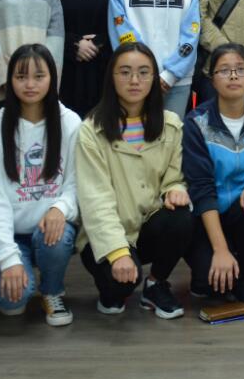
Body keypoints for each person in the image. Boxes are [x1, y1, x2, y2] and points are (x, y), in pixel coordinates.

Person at [75, 42, 192, 318]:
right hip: (107, 234)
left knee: (182, 216)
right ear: (112, 77)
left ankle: (156, 284)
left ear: (154, 78)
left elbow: (174, 176)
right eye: (125, 72)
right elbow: (95, 199)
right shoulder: (91, 130)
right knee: (121, 286)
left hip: (148, 225)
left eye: (143, 72)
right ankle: (110, 290)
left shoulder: (171, 124)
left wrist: (176, 188)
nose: (135, 80)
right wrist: (118, 252)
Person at [0, 43, 83, 327]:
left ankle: (52, 290)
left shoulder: (70, 122)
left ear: (52, 78)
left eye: (39, 76)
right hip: (10, 233)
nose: (30, 84)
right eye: (21, 76)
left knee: (58, 236)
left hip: (48, 230)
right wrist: (8, 258)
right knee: (13, 304)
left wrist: (60, 208)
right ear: (10, 80)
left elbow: (76, 183)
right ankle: (10, 266)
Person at [182, 44, 244, 315]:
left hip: (241, 212)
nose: (233, 76)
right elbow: (201, 188)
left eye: (240, 69)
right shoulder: (196, 122)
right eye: (224, 70)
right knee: (210, 285)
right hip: (205, 217)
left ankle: (242, 278)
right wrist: (221, 250)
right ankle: (218, 271)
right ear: (212, 79)